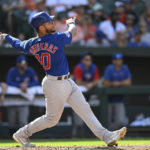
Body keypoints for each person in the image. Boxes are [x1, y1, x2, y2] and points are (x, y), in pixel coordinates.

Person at [0, 11, 126, 148]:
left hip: (66, 81)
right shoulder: (56, 38)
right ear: (41, 28)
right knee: (51, 119)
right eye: (49, 22)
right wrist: (70, 22)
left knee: (85, 109)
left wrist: (7, 36)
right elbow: (73, 31)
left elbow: (18, 44)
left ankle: (107, 136)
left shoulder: (32, 43)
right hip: (55, 84)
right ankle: (22, 134)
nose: (52, 23)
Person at [6, 55, 39, 135]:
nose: (24, 64)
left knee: (23, 121)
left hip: (24, 100)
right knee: (12, 122)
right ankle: (11, 141)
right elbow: (9, 82)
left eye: (25, 63)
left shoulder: (30, 71)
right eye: (21, 63)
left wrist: (26, 85)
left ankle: (23, 138)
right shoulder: (13, 71)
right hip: (12, 101)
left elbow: (36, 82)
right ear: (18, 64)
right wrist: (20, 85)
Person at [103, 53, 132, 130]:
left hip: (119, 99)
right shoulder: (109, 68)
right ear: (113, 61)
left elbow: (128, 82)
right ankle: (109, 135)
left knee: (120, 121)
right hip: (108, 99)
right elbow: (106, 82)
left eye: (120, 59)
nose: (119, 61)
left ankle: (112, 132)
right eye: (117, 59)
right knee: (106, 121)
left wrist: (119, 83)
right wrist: (113, 83)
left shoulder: (125, 68)